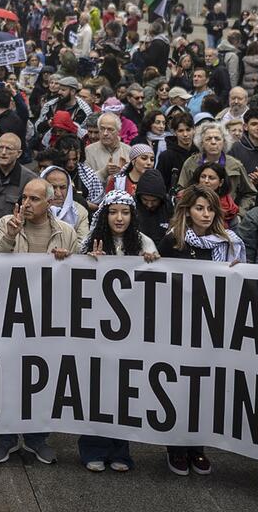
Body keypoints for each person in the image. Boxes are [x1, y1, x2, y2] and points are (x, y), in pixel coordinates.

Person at [155, 185, 245, 476]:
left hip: (214, 328)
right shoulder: (172, 242)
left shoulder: (230, 243)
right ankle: (176, 446)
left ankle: (198, 447)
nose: (205, 214)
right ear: (187, 211)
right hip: (180, 326)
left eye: (210, 209)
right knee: (180, 387)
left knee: (206, 388)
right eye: (199, 208)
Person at [0, 177, 76, 466]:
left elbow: (79, 277)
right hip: (13, 316)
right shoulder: (7, 223)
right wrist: (10, 237)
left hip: (49, 321)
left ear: (50, 202)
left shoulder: (66, 232)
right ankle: (6, 439)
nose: (26, 203)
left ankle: (37, 439)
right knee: (10, 380)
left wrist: (68, 262)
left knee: (42, 381)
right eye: (24, 197)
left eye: (34, 199)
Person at [74, 190, 158, 473]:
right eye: (113, 212)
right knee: (96, 389)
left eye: (125, 212)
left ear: (132, 216)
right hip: (96, 331)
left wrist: (152, 262)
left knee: (125, 392)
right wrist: (89, 262)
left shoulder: (144, 242)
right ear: (105, 215)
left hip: (131, 332)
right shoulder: (90, 241)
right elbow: (73, 279)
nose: (119, 218)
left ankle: (121, 451)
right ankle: (93, 449)